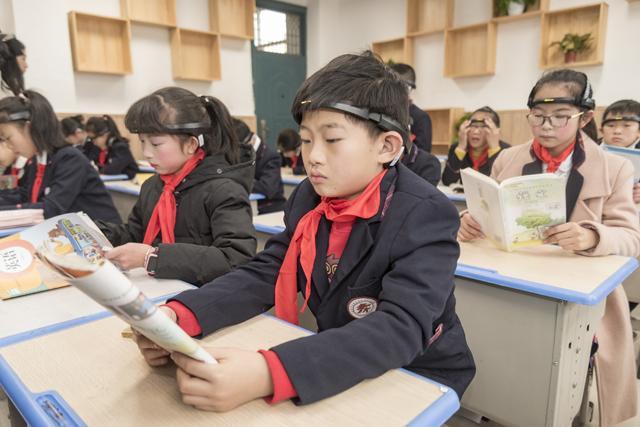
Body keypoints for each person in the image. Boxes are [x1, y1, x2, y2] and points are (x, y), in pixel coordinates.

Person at [133, 51, 475, 411]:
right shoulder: (310, 197)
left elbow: (400, 327)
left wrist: (268, 372)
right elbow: (268, 270)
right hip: (342, 356)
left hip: (417, 373)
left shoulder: (424, 213)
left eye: (332, 139)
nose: (312, 156)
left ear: (386, 146)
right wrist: (180, 315)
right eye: (307, 139)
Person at [98, 87, 257, 286]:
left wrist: (153, 257)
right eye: (142, 142)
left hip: (204, 295)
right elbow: (135, 233)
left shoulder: (224, 191)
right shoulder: (153, 186)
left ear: (191, 144)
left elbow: (235, 258)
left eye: (156, 144)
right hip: (160, 289)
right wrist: (97, 233)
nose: (146, 153)